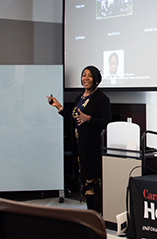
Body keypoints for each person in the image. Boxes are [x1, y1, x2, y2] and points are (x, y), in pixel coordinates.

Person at [47, 66, 112, 213]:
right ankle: (90, 215)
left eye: (89, 76)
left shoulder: (101, 99)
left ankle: (97, 216)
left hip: (93, 149)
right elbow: (74, 119)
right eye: (83, 75)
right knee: (85, 184)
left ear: (96, 79)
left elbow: (107, 122)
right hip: (80, 148)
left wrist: (89, 118)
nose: (86, 78)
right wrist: (59, 107)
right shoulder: (79, 98)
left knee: (94, 185)